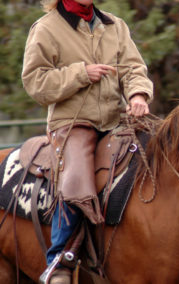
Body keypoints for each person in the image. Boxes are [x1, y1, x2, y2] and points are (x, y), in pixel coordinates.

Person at [22, 0, 153, 282]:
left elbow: (133, 68)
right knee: (77, 178)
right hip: (71, 124)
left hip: (115, 121)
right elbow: (35, 81)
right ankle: (59, 260)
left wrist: (137, 95)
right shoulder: (46, 28)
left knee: (154, 157)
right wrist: (81, 73)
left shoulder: (115, 25)